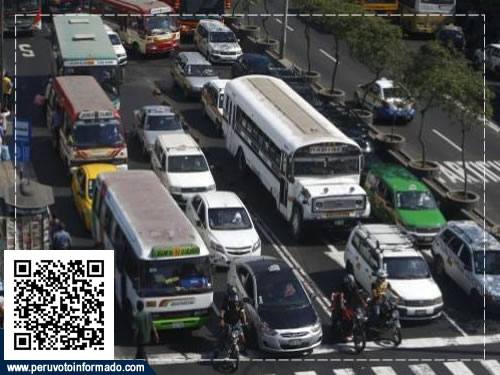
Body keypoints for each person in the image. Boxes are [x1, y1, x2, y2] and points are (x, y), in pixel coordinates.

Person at [219, 286, 247, 352]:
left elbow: (243, 312)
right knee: (223, 334)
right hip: (227, 322)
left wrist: (244, 322)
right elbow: (222, 311)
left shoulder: (240, 302)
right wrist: (221, 319)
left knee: (242, 336)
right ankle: (220, 347)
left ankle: (244, 349)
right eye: (232, 296)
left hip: (236, 322)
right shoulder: (226, 301)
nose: (234, 299)